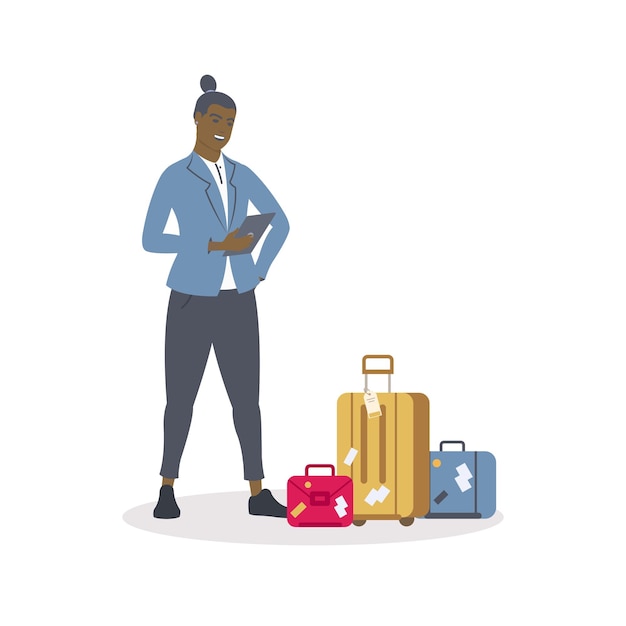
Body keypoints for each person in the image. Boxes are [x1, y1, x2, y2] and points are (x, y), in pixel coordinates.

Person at [142, 74, 289, 519]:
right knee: (180, 399)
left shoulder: (243, 175)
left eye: (230, 120)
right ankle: (167, 488)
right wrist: (206, 245)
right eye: (216, 118)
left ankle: (257, 491)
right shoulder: (175, 175)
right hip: (190, 298)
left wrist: (258, 272)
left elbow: (280, 221)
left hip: (238, 301)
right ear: (197, 119)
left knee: (247, 400)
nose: (223, 127)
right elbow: (151, 238)